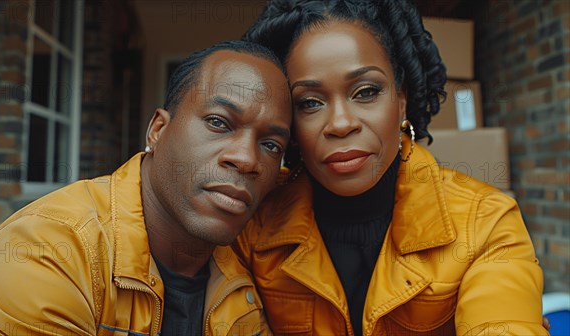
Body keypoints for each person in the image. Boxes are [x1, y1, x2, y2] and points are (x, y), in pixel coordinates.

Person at [233, 1, 549, 335]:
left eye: (366, 92)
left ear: (401, 100)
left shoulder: (486, 222)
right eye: (310, 103)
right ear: (288, 122)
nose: (340, 124)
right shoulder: (250, 225)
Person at [0, 40, 291, 336]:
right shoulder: (48, 248)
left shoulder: (244, 281)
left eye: (271, 145)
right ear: (157, 130)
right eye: (219, 122)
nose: (248, 159)